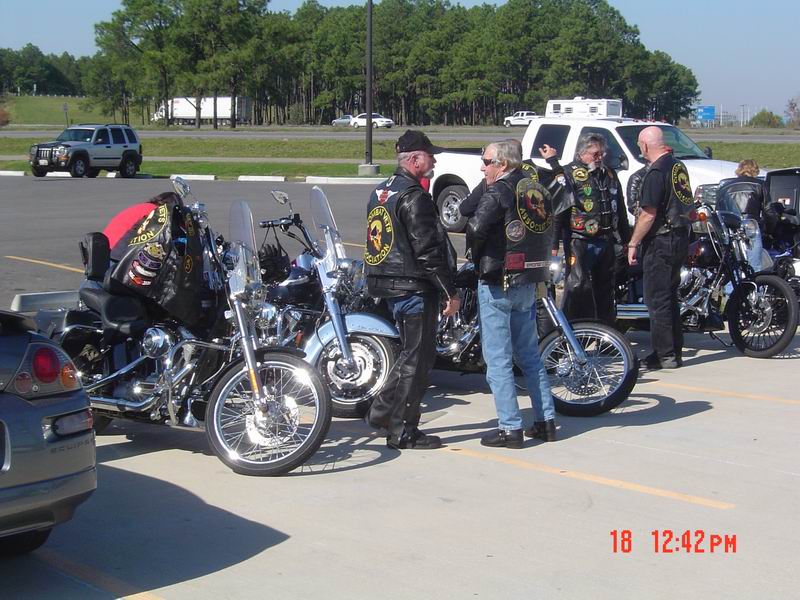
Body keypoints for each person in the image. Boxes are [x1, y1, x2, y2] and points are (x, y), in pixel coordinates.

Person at [362, 130, 460, 450]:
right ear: (415, 159)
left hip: (388, 284)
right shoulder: (414, 196)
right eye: (430, 156)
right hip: (413, 288)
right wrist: (449, 292)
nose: (434, 161)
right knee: (418, 362)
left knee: (410, 356)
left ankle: (381, 414)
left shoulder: (381, 191)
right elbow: (428, 251)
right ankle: (403, 431)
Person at [466, 140, 556, 448]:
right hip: (529, 281)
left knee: (498, 359)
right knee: (530, 356)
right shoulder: (535, 189)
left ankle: (510, 428)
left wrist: (476, 257)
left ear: (502, 164)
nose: (483, 167)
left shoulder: (500, 191)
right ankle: (546, 421)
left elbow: (474, 226)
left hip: (498, 280)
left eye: (486, 161)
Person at [627, 126, 692, 370]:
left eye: (639, 145)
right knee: (670, 296)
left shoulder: (656, 172)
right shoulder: (677, 167)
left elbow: (648, 214)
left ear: (645, 145)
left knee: (657, 299)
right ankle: (674, 350)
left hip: (661, 241)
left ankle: (664, 355)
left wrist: (633, 242)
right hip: (680, 237)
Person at [556, 133, 631, 326]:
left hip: (605, 239)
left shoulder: (610, 174)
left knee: (606, 289)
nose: (599, 158)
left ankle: (605, 331)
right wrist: (554, 244)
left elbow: (620, 208)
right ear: (581, 153)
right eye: (595, 154)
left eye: (602, 153)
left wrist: (627, 240)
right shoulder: (568, 173)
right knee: (577, 287)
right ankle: (572, 331)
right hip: (579, 240)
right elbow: (560, 212)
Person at [718, 159, 769, 270]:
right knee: (754, 267)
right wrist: (770, 229)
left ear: (739, 170)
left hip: (731, 229)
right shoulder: (759, 185)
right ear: (755, 170)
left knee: (733, 268)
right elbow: (768, 211)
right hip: (751, 226)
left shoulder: (724, 187)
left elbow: (719, 211)